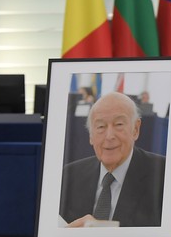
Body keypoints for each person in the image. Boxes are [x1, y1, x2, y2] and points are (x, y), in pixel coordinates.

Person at [59, 91, 165, 227]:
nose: (109, 136)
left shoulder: (163, 175)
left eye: (119, 124)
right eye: (101, 127)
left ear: (135, 129)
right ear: (91, 136)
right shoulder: (70, 175)